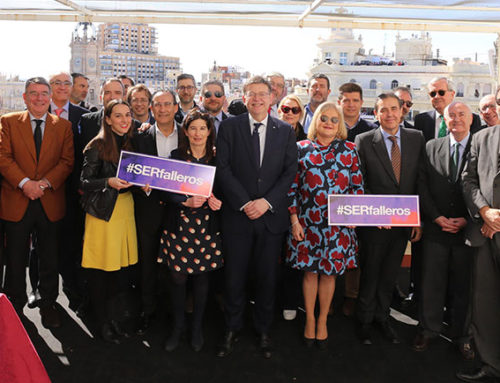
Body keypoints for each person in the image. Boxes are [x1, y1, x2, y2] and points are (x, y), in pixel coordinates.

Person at [216, 76, 297, 359]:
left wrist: (266, 202)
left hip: (270, 218)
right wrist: (245, 202)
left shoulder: (285, 131)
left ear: (272, 97)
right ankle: (232, 328)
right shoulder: (229, 128)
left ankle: (263, 330)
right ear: (245, 97)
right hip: (237, 217)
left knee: (267, 278)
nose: (258, 99)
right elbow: (222, 168)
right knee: (234, 278)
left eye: (263, 94)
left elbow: (289, 173)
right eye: (252, 94)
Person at [287, 101, 364, 349]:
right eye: (324, 118)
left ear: (339, 124)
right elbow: (292, 188)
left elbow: (357, 187)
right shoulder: (300, 149)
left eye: (334, 119)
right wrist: (294, 219)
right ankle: (309, 320)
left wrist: (354, 217)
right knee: (310, 273)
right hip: (307, 223)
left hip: (337, 226)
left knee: (329, 274)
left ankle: (323, 321)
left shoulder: (350, 150)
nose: (328, 123)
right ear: (315, 122)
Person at [0, 77, 74, 328]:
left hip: (49, 202)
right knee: (15, 258)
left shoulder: (62, 126)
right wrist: (24, 183)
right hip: (16, 200)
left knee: (49, 258)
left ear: (50, 97)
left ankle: (47, 304)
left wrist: (41, 185)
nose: (40, 98)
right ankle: (15, 306)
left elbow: (66, 162)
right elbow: (3, 157)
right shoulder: (8, 122)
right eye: (34, 93)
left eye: (44, 93)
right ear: (24, 97)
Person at [355, 92, 425, 345]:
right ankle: (363, 321)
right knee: (371, 272)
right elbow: (359, 182)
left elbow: (419, 180)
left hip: (404, 222)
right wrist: (377, 210)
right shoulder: (363, 140)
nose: (390, 114)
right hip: (375, 223)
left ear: (402, 111)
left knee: (389, 274)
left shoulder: (416, 138)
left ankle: (382, 317)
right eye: (383, 110)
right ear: (376, 114)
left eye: (394, 109)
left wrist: (417, 219)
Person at [414, 102, 474, 360]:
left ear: (471, 119)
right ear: (444, 120)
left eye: (462, 115)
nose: (456, 119)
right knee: (431, 283)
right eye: (452, 115)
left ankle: (462, 336)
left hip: (467, 231)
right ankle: (429, 330)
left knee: (464, 286)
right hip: (436, 229)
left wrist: (468, 219)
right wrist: (436, 217)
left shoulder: (481, 146)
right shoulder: (431, 146)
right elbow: (422, 185)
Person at [159, 109, 223, 352]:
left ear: (209, 132)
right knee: (177, 277)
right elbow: (163, 189)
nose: (198, 133)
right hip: (179, 225)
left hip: (206, 226)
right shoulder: (175, 157)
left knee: (202, 278)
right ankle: (178, 326)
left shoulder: (218, 159)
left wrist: (219, 201)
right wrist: (183, 201)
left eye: (203, 128)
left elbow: (224, 190)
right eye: (193, 128)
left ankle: (196, 328)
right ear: (185, 131)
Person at [80, 99, 138, 344]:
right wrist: (108, 182)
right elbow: (83, 182)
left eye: (127, 115)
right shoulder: (97, 145)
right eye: (118, 115)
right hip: (104, 213)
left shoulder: (131, 142)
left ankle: (113, 319)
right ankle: (101, 322)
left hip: (125, 209)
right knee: (101, 271)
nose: (124, 120)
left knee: (118, 271)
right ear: (107, 119)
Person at [132, 89, 180, 334]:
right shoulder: (139, 136)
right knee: (148, 264)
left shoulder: (187, 133)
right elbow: (131, 170)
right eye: (158, 104)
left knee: (176, 266)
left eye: (167, 104)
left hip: (179, 211)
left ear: (175, 107)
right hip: (148, 209)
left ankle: (175, 314)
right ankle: (148, 312)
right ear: (151, 108)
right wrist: (142, 185)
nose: (162, 109)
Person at [457, 125, 500, 382]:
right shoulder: (482, 137)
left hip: (491, 227)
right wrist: (485, 211)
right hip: (485, 236)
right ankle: (491, 364)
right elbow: (468, 180)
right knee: (486, 305)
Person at [336, 82, 375, 316]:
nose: (350, 104)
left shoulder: (371, 129)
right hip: (333, 198)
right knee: (334, 245)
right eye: (346, 100)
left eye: (355, 100)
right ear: (339, 102)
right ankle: (333, 296)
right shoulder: (332, 125)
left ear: (361, 103)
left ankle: (351, 295)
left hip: (363, 195)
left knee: (357, 248)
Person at [276, 94, 306, 322]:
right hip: (273, 205)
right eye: (285, 108)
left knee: (294, 258)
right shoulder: (269, 135)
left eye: (294, 110)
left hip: (298, 207)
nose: (289, 112)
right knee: (272, 257)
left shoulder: (307, 141)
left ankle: (290, 301)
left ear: (301, 114)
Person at [414, 77, 481, 142]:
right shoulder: (421, 120)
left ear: (452, 94)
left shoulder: (471, 119)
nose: (436, 96)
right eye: (433, 94)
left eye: (441, 92)